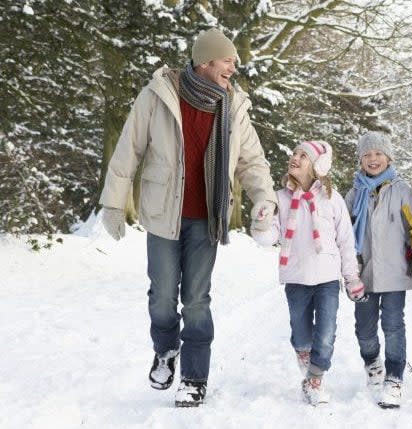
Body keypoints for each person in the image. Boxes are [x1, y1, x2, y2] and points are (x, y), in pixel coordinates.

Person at [98, 28, 277, 407]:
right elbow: (128, 149)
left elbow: (252, 160)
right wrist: (113, 203)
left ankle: (194, 378)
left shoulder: (234, 105)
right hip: (164, 212)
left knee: (196, 300)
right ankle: (165, 350)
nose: (234, 66)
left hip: (207, 217)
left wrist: (264, 200)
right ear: (205, 62)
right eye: (227, 60)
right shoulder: (158, 95)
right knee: (162, 297)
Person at [251, 140, 366, 406]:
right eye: (294, 153)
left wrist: (352, 278)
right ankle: (304, 354)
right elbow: (271, 237)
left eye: (303, 155)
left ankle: (315, 379)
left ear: (317, 166)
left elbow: (346, 241)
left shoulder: (332, 199)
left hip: (327, 279)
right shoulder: (280, 198)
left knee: (326, 333)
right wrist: (261, 223)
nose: (295, 158)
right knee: (301, 334)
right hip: (296, 277)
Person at [344, 132, 412, 409]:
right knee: (364, 330)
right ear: (360, 160)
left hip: (394, 272)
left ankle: (394, 377)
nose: (373, 159)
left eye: (378, 153)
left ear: (388, 157)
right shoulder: (354, 194)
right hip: (362, 275)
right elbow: (342, 231)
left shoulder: (401, 191)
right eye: (367, 154)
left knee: (393, 326)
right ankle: (372, 363)